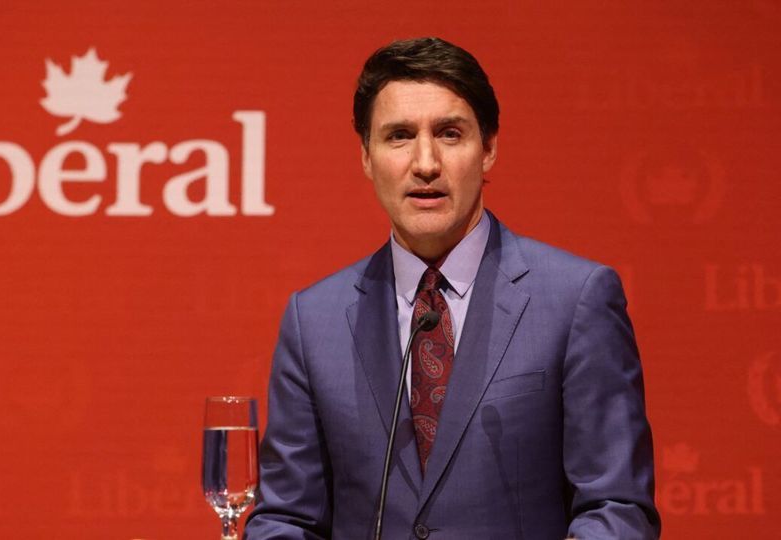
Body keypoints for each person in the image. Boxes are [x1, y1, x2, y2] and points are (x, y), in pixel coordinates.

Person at [244, 37, 660, 539]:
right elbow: (287, 518)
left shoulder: (576, 299)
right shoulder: (314, 320)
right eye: (399, 136)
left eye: (449, 133)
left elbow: (616, 507)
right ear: (367, 157)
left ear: (488, 149)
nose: (425, 163)